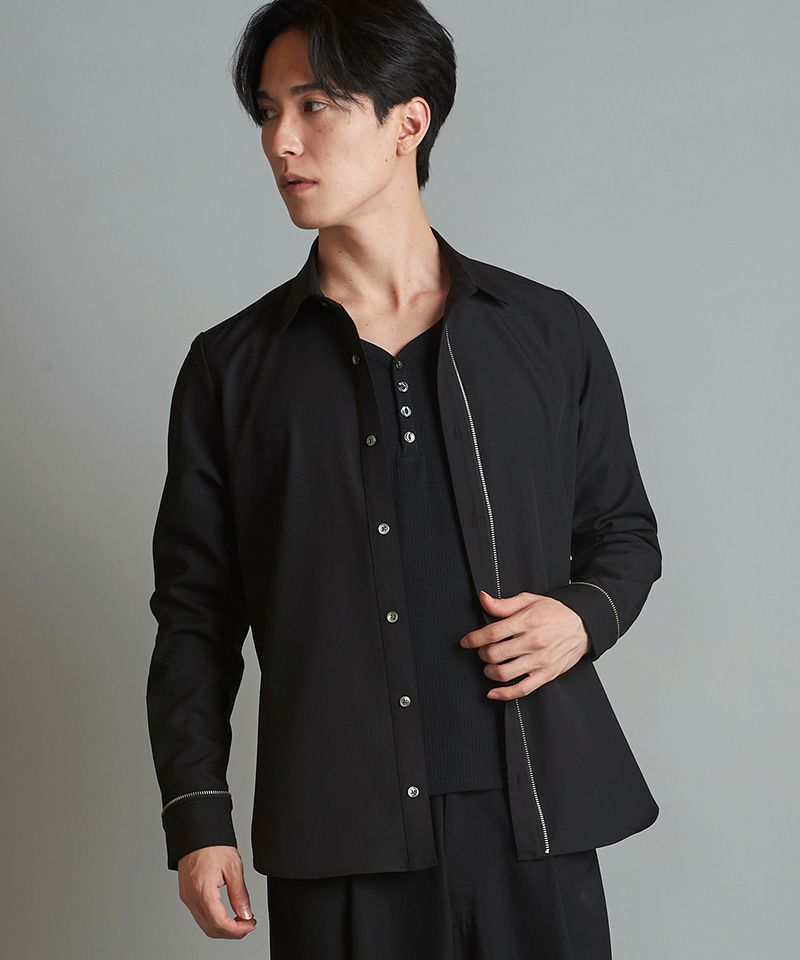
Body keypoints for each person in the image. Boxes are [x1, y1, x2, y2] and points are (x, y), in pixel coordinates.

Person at [145, 1, 662, 956]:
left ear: (407, 122)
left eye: (315, 105)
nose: (280, 141)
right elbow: (195, 615)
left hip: (536, 825)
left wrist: (580, 617)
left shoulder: (545, 332)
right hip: (341, 836)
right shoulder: (232, 368)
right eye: (267, 111)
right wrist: (198, 817)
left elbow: (623, 532)